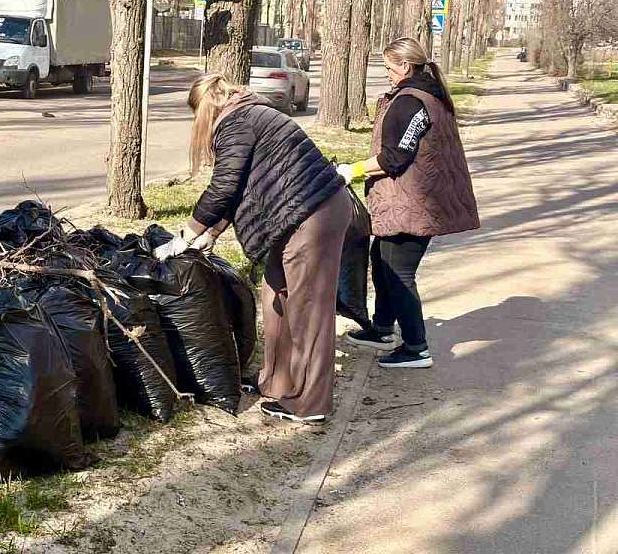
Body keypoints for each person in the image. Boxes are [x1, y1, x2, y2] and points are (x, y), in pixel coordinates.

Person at [155, 74, 351, 424]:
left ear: (205, 108)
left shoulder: (237, 121)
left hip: (313, 216)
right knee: (275, 300)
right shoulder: (247, 114)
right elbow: (242, 184)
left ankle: (310, 404)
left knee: (308, 312)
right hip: (294, 218)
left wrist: (186, 235)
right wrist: (212, 233)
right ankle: (276, 384)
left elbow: (225, 186)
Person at [337, 37, 479, 369]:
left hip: (413, 204)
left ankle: (416, 348)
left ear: (405, 66)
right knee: (381, 259)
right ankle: (382, 328)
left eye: (388, 68)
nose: (386, 74)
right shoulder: (429, 95)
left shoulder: (411, 101)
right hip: (412, 202)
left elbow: (395, 157)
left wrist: (351, 170)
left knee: (398, 273)